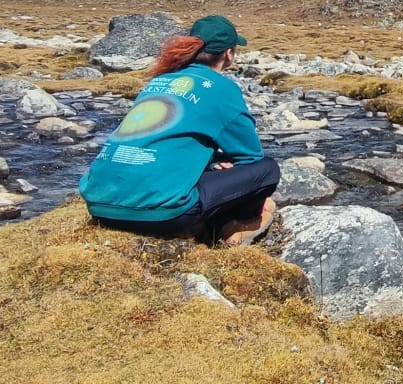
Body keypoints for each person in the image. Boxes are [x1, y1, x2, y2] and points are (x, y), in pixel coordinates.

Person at [79, 15, 277, 245]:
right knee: (267, 169)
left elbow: (161, 140)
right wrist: (221, 164)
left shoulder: (160, 80)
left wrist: (211, 162)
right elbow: (250, 155)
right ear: (229, 53)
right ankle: (235, 225)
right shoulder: (222, 88)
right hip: (162, 215)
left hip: (99, 206)